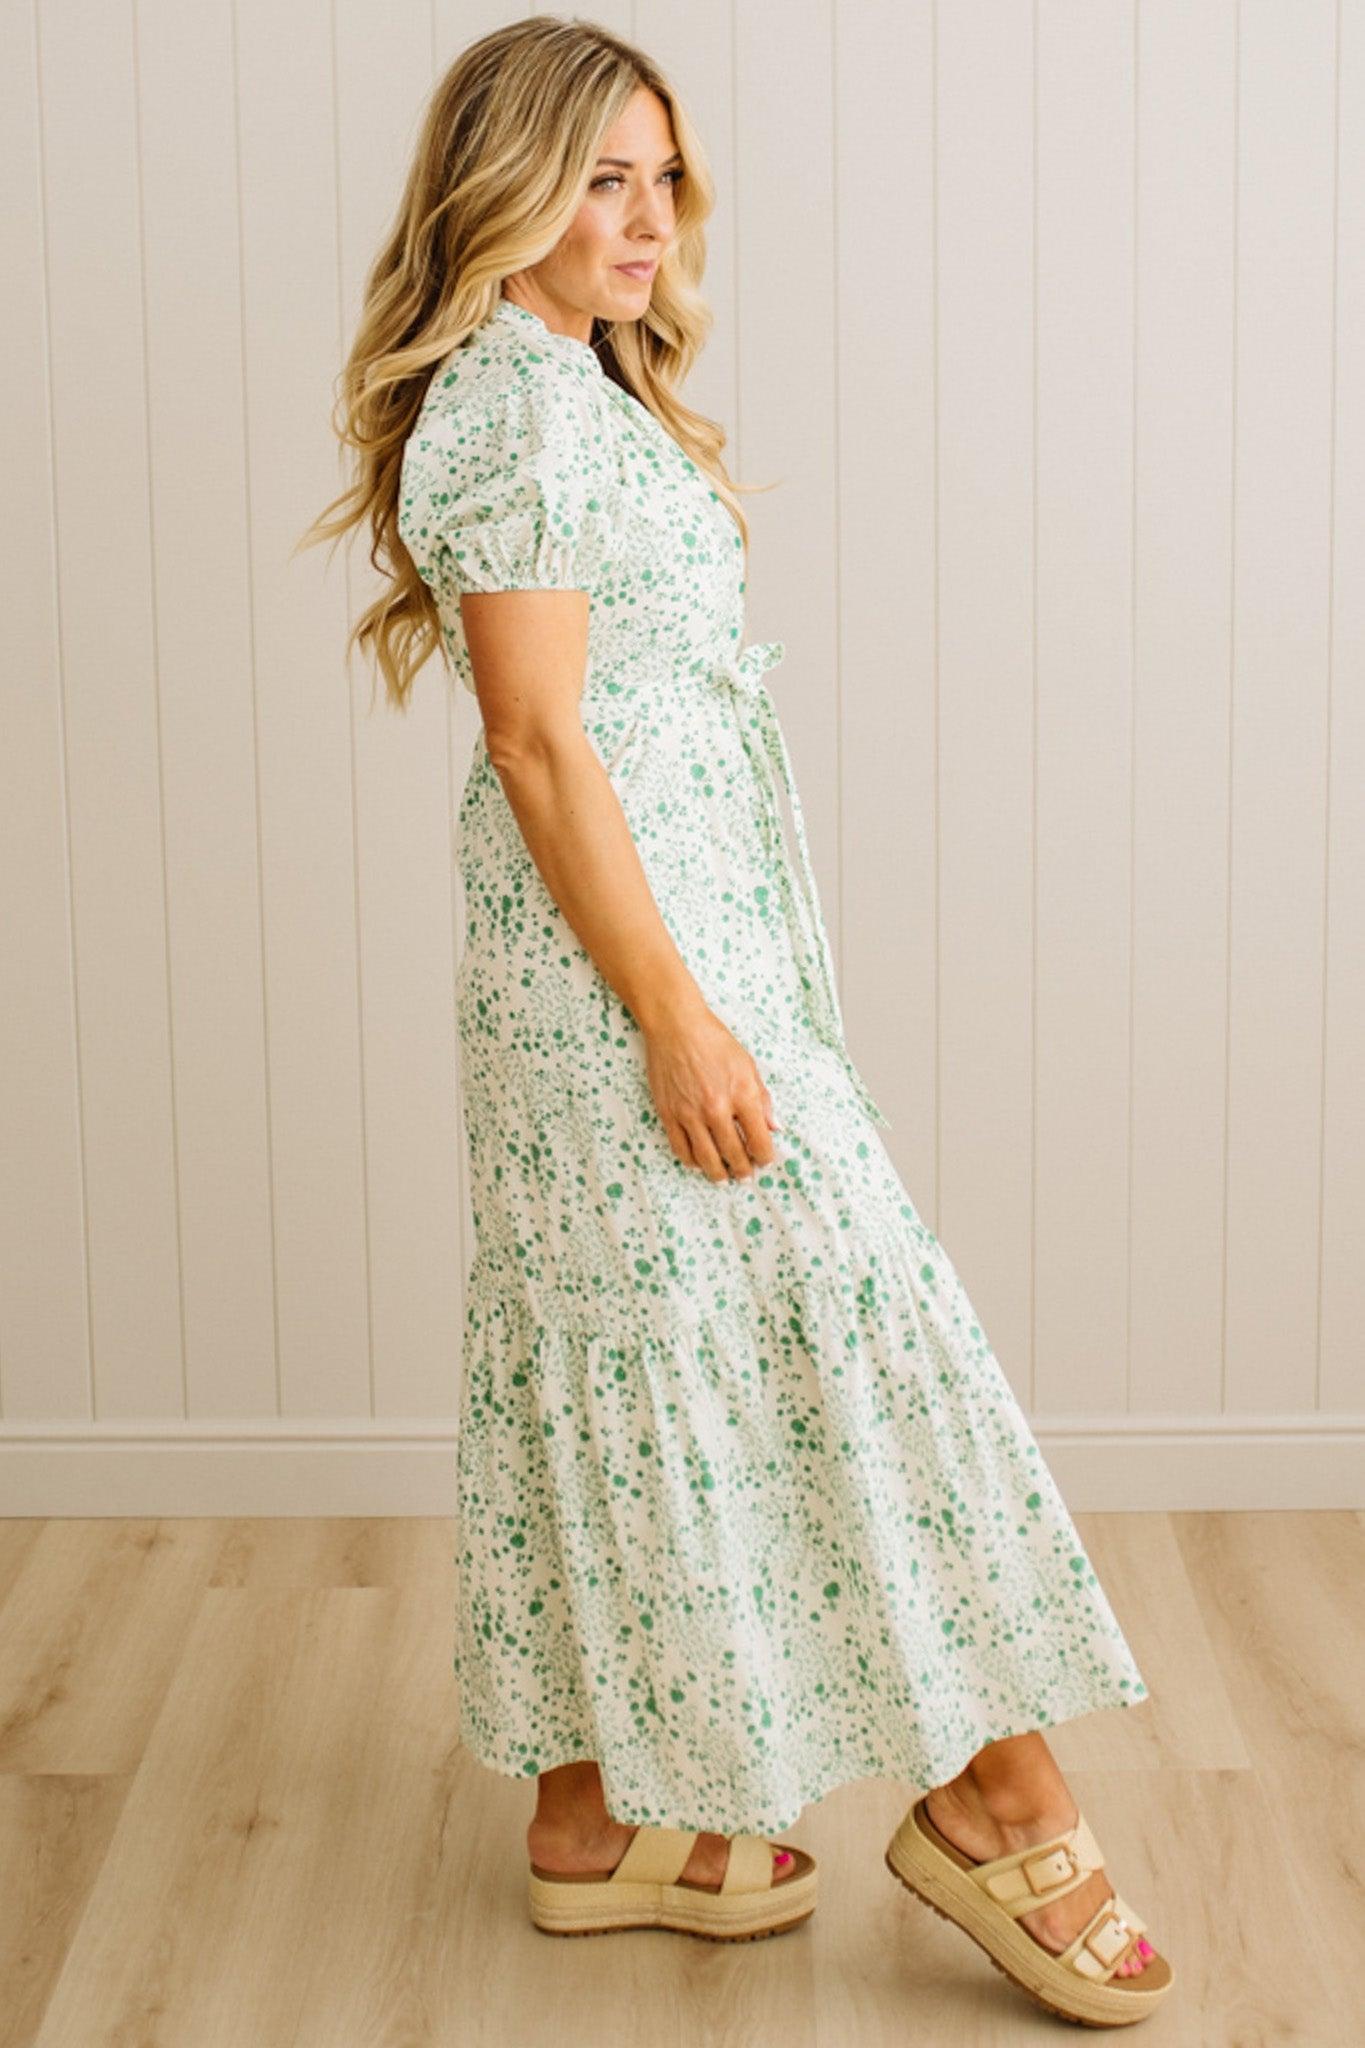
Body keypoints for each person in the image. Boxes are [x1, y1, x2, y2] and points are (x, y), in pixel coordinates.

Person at [304, 15, 1173, 2027]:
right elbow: (533, 744)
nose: (645, 217)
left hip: (680, 961)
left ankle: (593, 1826)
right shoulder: (512, 416)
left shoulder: (571, 396)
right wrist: (680, 1019)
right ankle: (995, 1799)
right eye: (599, 177)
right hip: (626, 987)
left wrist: (728, 986)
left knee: (671, 1341)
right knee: (811, 1339)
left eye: (660, 177)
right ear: (502, 187)